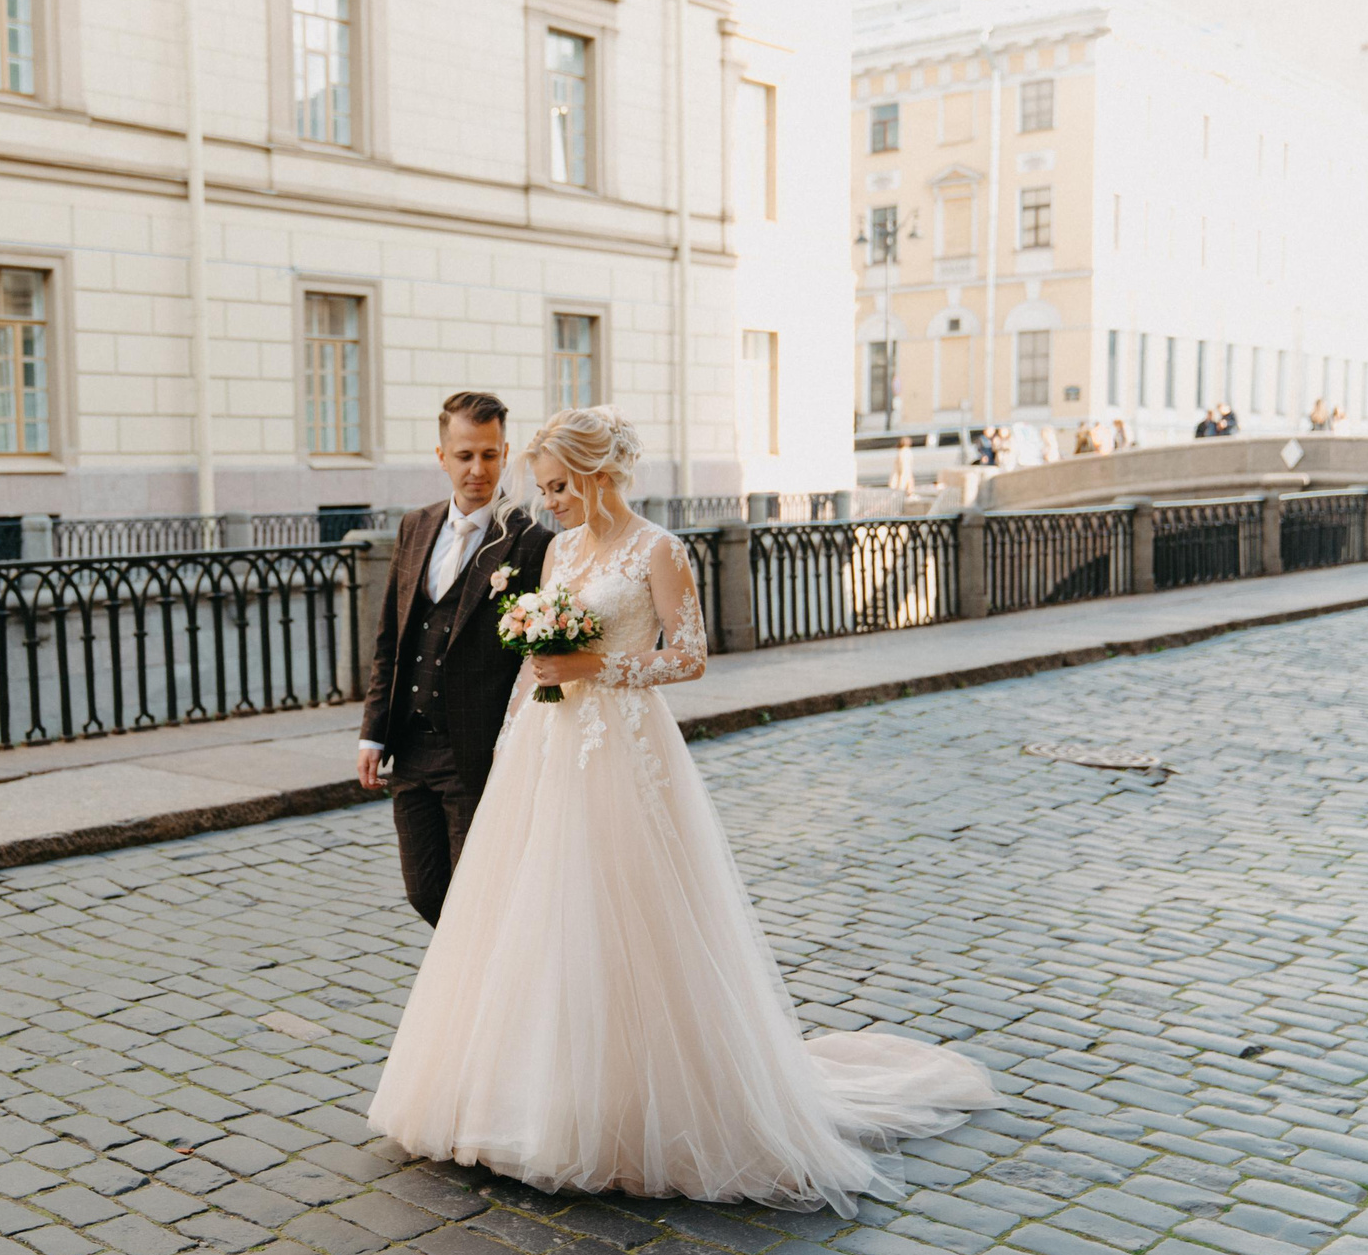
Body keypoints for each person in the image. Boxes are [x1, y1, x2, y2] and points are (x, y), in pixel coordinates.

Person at [368, 408, 999, 1205]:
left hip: (624, 748)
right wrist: (510, 735)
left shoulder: (659, 549)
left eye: (558, 487)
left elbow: (690, 656)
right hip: (546, 747)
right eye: (544, 489)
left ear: (597, 475)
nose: (548, 502)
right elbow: (532, 661)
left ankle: (629, 1104)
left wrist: (596, 667)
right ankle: (525, 1097)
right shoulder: (559, 550)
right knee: (539, 913)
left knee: (627, 911)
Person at [358, 391, 557, 926]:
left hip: (476, 752)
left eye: (490, 455)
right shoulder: (415, 526)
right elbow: (390, 637)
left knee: (478, 896)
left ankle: (488, 978)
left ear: (505, 453)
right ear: (441, 456)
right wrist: (372, 734)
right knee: (425, 892)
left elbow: (534, 656)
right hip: (410, 749)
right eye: (465, 455)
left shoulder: (531, 542)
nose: (478, 469)